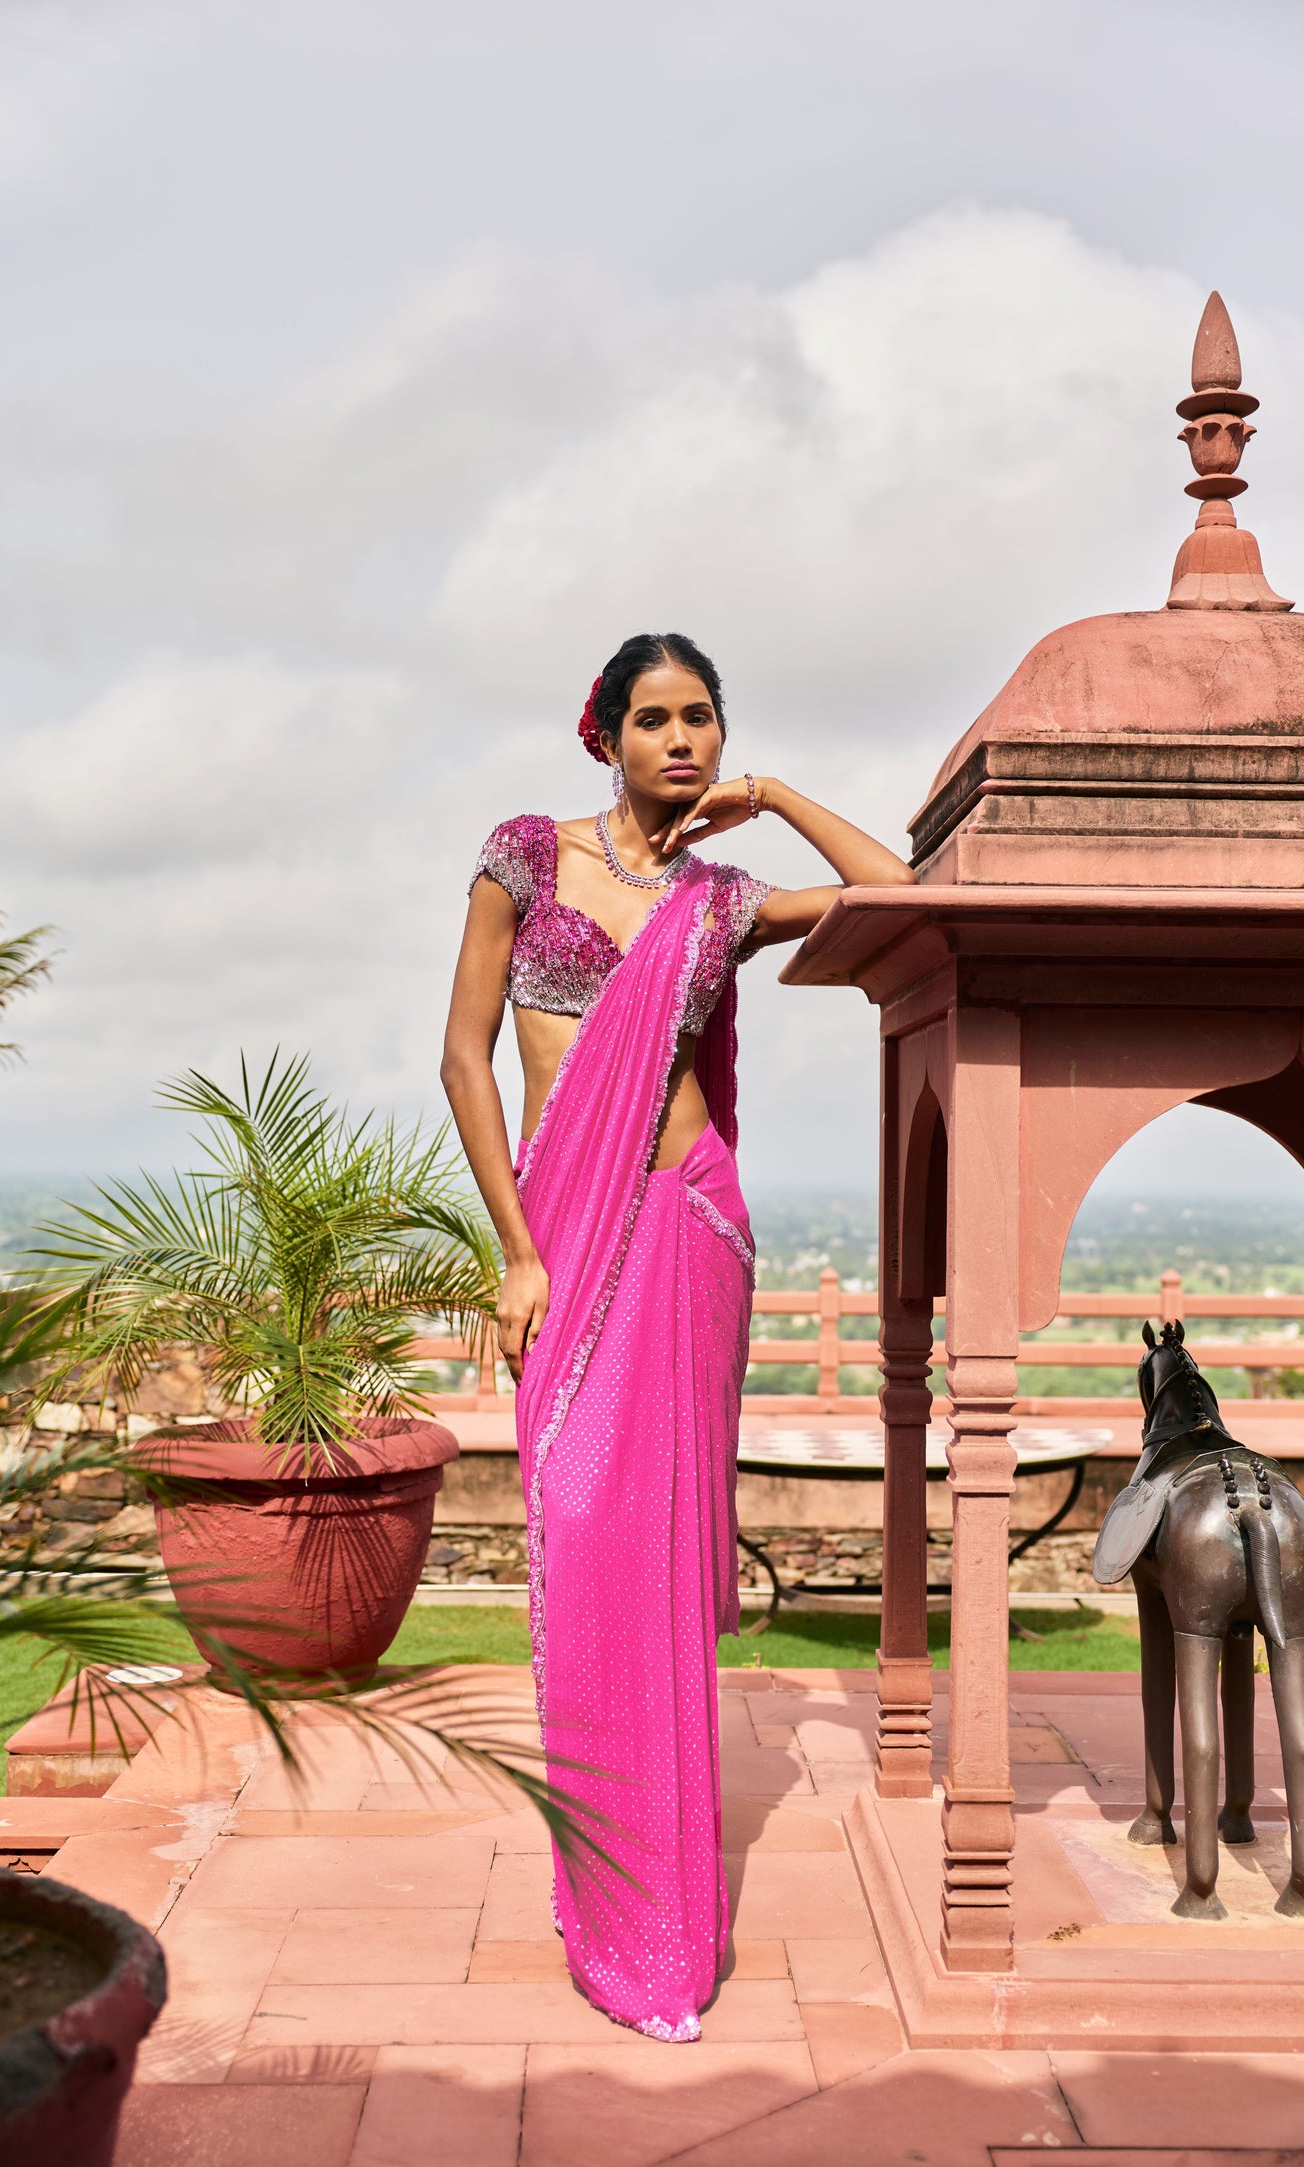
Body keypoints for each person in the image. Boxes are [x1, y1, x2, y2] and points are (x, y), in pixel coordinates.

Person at [441, 631, 913, 2040]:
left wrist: (770, 796)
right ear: (604, 734)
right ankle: (609, 1885)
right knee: (580, 1526)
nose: (679, 739)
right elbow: (464, 1056)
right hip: (563, 1235)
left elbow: (912, 897)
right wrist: (513, 1252)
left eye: (700, 718)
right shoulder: (526, 857)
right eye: (652, 718)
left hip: (687, 1225)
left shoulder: (722, 899)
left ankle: (665, 1919)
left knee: (655, 1555)